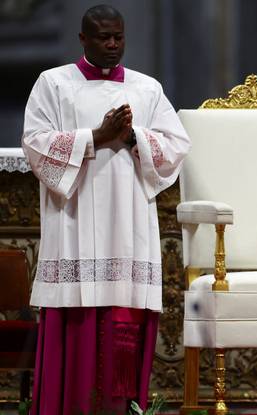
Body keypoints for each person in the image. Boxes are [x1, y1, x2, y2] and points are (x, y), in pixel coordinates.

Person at [21, 4, 190, 414]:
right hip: (73, 219)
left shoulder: (146, 89)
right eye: (102, 37)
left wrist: (132, 137)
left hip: (127, 222)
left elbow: (176, 147)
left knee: (122, 314)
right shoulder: (53, 84)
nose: (112, 44)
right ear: (83, 39)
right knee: (76, 319)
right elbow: (35, 143)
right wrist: (96, 136)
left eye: (118, 36)